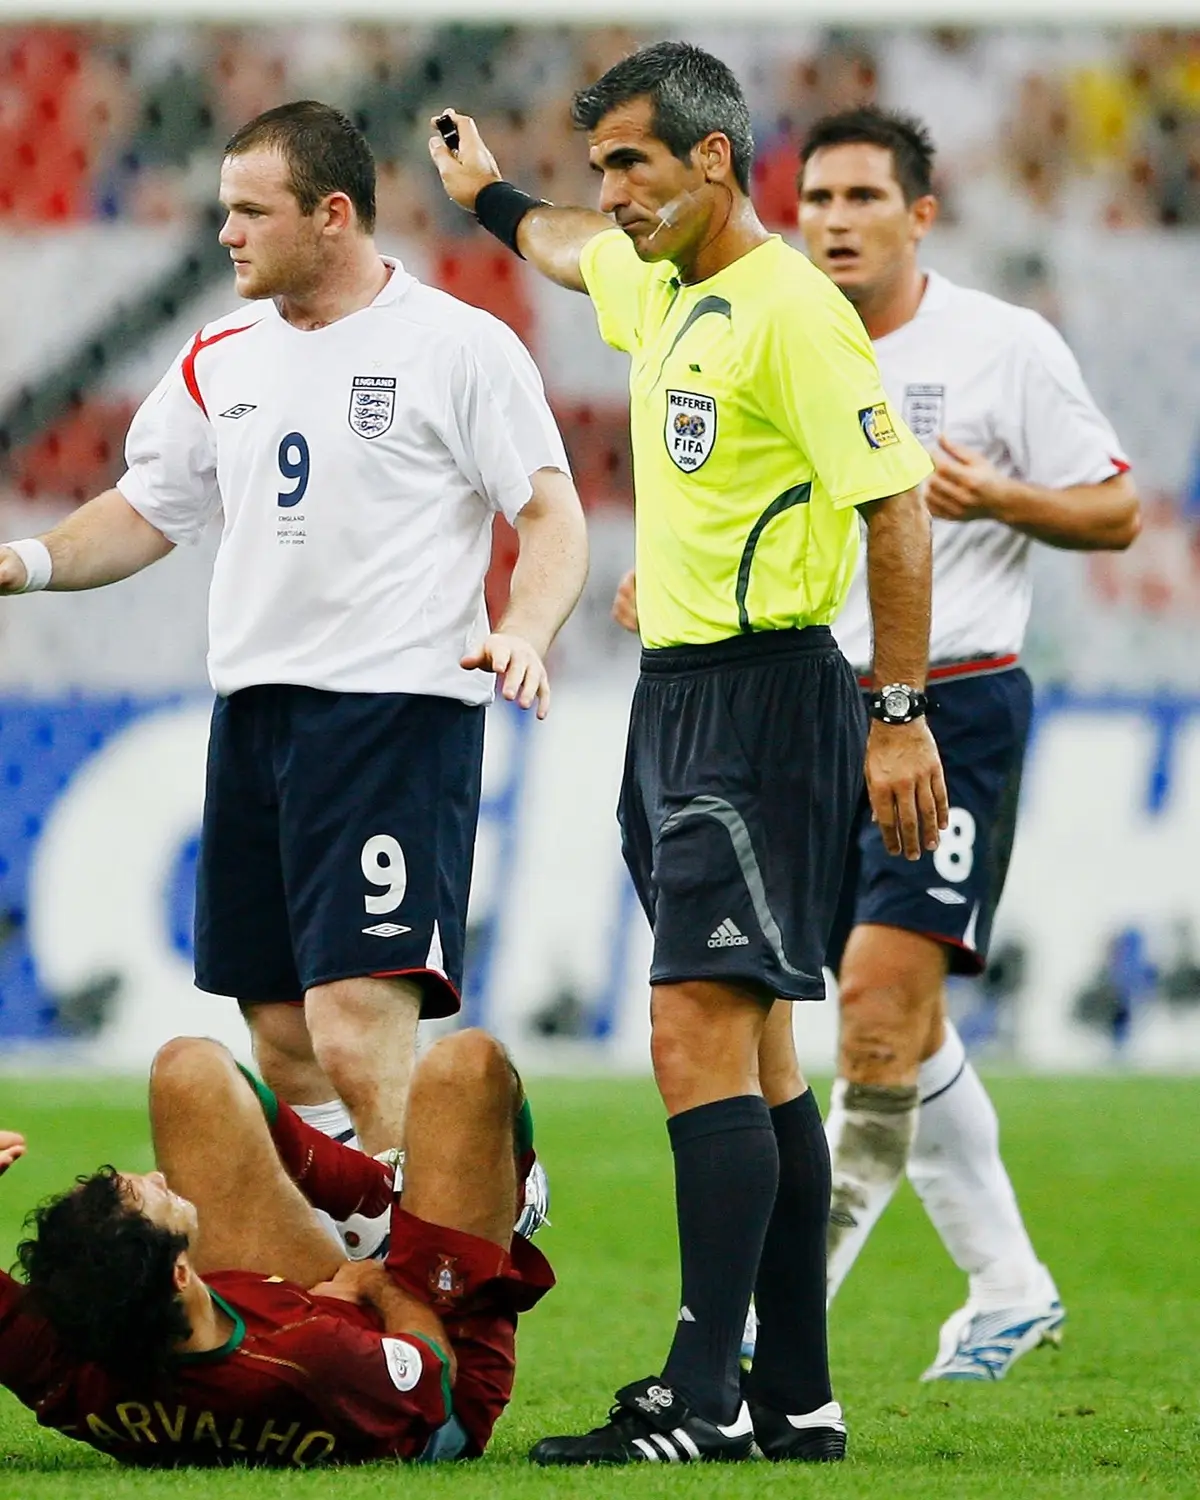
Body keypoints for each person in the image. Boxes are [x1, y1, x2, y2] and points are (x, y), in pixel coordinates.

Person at [429, 43, 945, 1465]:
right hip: (677, 696)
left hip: (772, 702)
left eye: (633, 167)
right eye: (601, 168)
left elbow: (893, 516)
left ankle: (699, 1395)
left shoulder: (794, 312)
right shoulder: (652, 275)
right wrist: (490, 196)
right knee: (764, 1054)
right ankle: (796, 1398)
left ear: (713, 161)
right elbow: (557, 244)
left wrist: (898, 717)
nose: (612, 197)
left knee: (693, 1032)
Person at [0, 101, 589, 1179]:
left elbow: (550, 513)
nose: (224, 234)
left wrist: (524, 630)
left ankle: (455, 1251)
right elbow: (146, 511)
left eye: (247, 212)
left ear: (330, 214)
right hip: (257, 716)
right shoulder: (220, 354)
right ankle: (360, 1270)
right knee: (279, 1030)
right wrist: (25, 562)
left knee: (356, 1018)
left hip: (394, 713)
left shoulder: (456, 346)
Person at [793, 107, 1139, 1378]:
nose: (835, 219)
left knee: (878, 1014)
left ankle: (779, 1326)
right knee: (892, 1009)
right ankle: (1008, 1284)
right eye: (817, 197)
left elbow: (1117, 507)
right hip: (809, 706)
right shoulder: (780, 338)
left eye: (863, 198)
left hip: (954, 704)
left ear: (918, 214)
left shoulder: (1002, 345)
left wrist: (997, 495)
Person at [0, 1028, 554, 1467]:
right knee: (469, 1064)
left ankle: (376, 1192)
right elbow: (435, 1369)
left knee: (187, 1069)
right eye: (156, 1196)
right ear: (178, 1274)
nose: (161, 1176)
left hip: (303, 1312)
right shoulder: (306, 1357)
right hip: (431, 1385)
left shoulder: (59, 1353)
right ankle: (505, 1192)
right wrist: (372, 1283)